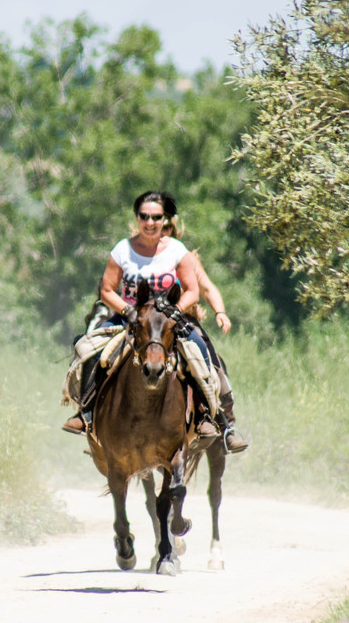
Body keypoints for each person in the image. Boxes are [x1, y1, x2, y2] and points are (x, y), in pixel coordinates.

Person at [62, 191, 242, 450]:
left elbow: (192, 290)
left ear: (164, 220)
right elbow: (107, 290)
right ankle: (86, 412)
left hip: (168, 321)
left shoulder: (177, 251)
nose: (150, 222)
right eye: (144, 216)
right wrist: (127, 311)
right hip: (130, 317)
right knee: (88, 347)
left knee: (201, 351)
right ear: (137, 218)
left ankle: (210, 417)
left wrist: (177, 311)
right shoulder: (122, 249)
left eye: (156, 217)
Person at [161, 198, 248, 453]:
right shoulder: (140, 255)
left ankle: (224, 424)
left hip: (182, 321)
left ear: (172, 229)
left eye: (166, 227)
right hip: (149, 323)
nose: (161, 232)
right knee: (108, 355)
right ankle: (94, 416)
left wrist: (219, 311)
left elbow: (208, 288)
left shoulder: (184, 257)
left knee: (208, 358)